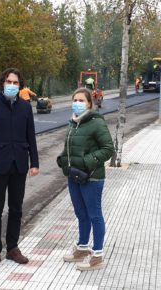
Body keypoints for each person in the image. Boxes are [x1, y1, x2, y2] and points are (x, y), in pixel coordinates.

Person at [0, 68, 39, 269]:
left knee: (16, 208)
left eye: (16, 83)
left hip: (19, 164)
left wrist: (34, 162)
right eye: (9, 81)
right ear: (2, 82)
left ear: (20, 86)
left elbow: (31, 136)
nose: (12, 85)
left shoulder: (25, 107)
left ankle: (13, 248)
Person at [57, 87, 114, 271]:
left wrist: (86, 162)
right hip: (74, 176)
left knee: (94, 215)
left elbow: (108, 148)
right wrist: (63, 160)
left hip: (91, 177)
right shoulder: (73, 123)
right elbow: (69, 148)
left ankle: (97, 256)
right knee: (81, 214)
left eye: (81, 100)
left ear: (89, 103)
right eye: (75, 100)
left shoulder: (96, 123)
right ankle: (82, 248)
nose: (77, 103)